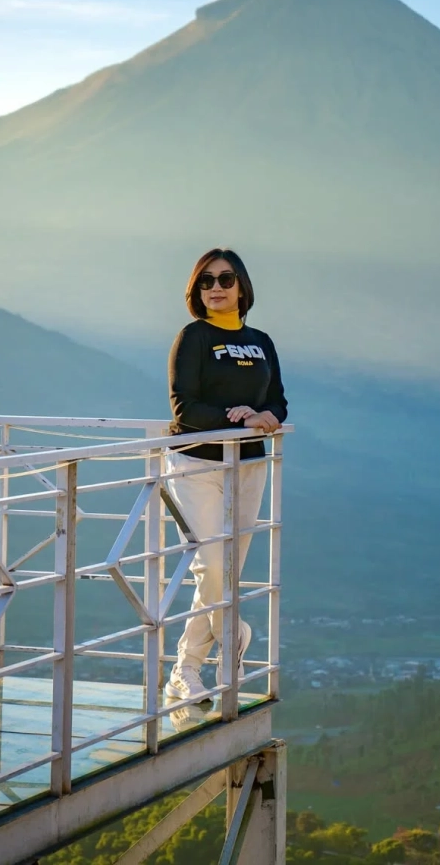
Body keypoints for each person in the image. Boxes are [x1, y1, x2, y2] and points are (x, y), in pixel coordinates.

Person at [163, 248, 287, 702]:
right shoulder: (192, 338)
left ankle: (185, 671)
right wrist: (237, 419)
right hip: (195, 464)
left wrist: (262, 415)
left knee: (222, 573)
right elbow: (183, 408)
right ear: (197, 290)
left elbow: (279, 403)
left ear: (242, 286)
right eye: (206, 281)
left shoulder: (261, 341)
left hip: (249, 466)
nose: (216, 287)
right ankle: (232, 633)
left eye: (226, 278)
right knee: (212, 564)